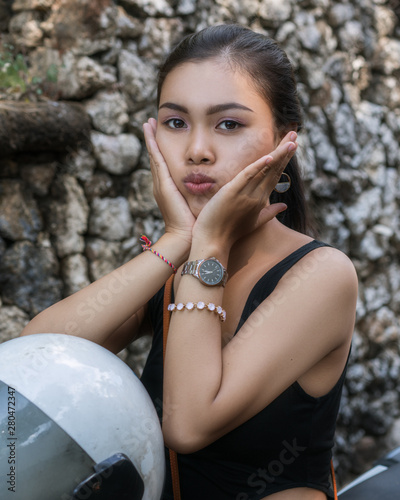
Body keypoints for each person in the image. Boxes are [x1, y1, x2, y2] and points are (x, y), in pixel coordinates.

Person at [21, 24, 358, 500]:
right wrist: (177, 240)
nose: (197, 150)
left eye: (228, 124)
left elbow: (189, 424)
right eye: (176, 123)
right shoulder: (177, 263)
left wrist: (210, 244)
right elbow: (37, 356)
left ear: (285, 143)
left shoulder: (321, 275)